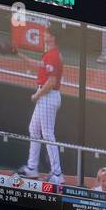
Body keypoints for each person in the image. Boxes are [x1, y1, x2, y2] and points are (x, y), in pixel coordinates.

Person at [18, 22, 65, 186]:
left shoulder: (53, 55)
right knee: (34, 129)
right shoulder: (49, 54)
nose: (44, 36)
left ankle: (57, 173)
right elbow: (39, 65)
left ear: (53, 37)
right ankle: (32, 168)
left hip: (47, 96)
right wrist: (19, 54)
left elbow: (51, 81)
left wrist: (37, 95)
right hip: (46, 96)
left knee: (48, 134)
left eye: (46, 34)